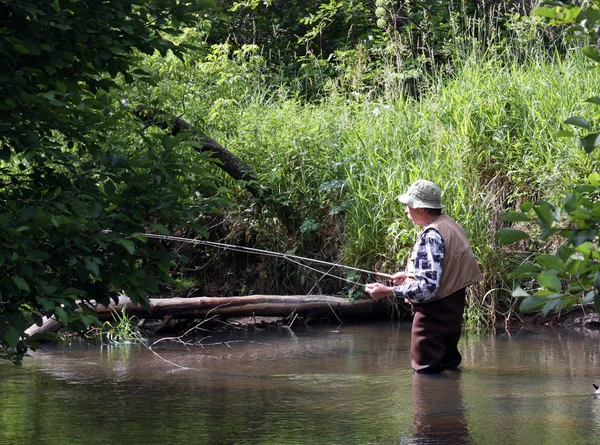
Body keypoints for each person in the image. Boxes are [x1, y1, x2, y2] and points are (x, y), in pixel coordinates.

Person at [365, 180, 482, 373]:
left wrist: (388, 291)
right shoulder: (448, 224)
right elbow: (444, 269)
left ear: (420, 208)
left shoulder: (432, 235)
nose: (406, 211)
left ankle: (431, 403)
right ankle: (452, 403)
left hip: (433, 315)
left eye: (408, 205)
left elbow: (428, 288)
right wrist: (409, 275)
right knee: (448, 366)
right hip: (451, 312)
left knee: (426, 374)